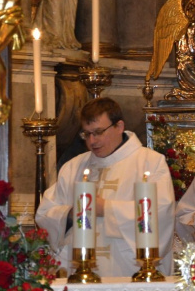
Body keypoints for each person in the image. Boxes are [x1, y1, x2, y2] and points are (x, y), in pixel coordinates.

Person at [35, 97, 176, 276]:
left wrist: (106, 209)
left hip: (128, 268)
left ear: (119, 126)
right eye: (86, 134)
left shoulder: (150, 162)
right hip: (78, 270)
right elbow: (45, 213)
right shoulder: (73, 167)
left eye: (98, 132)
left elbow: (161, 212)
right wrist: (70, 215)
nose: (92, 141)